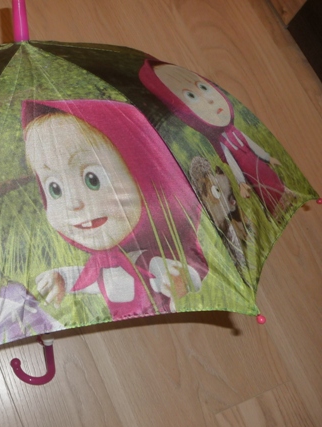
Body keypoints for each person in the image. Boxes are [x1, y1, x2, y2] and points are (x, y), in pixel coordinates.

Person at [22, 99, 208, 319]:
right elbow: (87, 279)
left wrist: (182, 279)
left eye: (92, 179)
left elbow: (191, 269)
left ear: (146, 176)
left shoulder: (157, 259)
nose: (73, 204)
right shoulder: (103, 264)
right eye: (55, 189)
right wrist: (62, 278)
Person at [139, 60, 295, 218]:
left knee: (268, 175)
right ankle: (276, 205)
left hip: (257, 162)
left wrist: (267, 157)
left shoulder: (235, 131)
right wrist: (241, 182)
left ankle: (284, 192)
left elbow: (252, 144)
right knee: (260, 183)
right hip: (248, 167)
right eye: (191, 96)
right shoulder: (223, 143)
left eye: (204, 88)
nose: (210, 100)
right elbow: (233, 163)